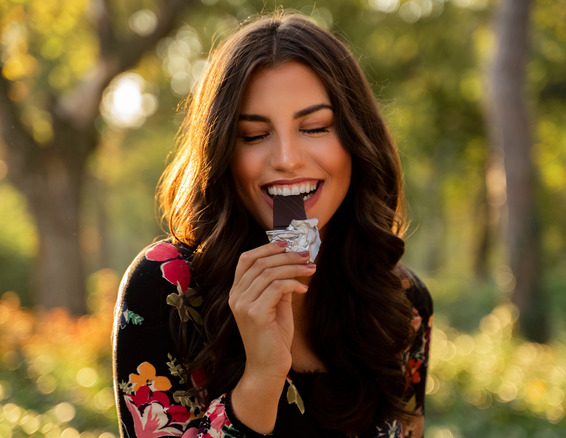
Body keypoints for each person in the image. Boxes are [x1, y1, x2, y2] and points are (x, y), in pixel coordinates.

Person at [113, 11, 433, 438]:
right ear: (223, 152)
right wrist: (261, 376)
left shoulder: (403, 304)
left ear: (357, 141)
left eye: (315, 127)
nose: (286, 158)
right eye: (253, 135)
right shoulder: (167, 287)